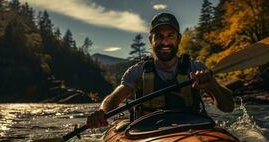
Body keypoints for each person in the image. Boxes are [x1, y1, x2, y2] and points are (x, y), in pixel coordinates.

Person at [87, 12, 234, 128]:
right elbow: (114, 98)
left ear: (179, 39)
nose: (165, 42)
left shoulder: (196, 69)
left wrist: (212, 86)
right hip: (147, 133)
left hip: (192, 129)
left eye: (170, 36)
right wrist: (102, 111)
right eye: (159, 36)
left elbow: (228, 107)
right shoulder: (137, 72)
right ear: (151, 40)